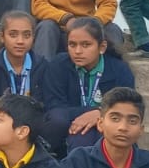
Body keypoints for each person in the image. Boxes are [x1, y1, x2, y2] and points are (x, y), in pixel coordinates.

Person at [41, 16, 136, 157]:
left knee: (92, 135)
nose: (78, 51)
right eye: (72, 45)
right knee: (59, 121)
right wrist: (93, 112)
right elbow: (54, 105)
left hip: (104, 126)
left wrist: (100, 114)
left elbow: (127, 106)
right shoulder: (58, 65)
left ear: (102, 47)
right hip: (68, 124)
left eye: (86, 45)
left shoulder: (119, 70)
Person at [0, 8, 39, 98]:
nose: (20, 41)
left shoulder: (42, 67)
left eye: (26, 35)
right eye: (13, 35)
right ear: (2, 37)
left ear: (33, 37)